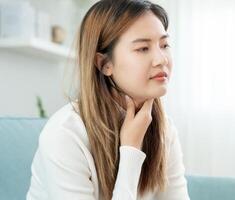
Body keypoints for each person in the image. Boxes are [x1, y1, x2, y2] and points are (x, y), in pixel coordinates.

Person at [26, 0, 190, 199]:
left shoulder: (164, 129)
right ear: (104, 64)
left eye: (164, 45)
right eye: (143, 48)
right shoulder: (65, 135)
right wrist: (130, 151)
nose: (162, 59)